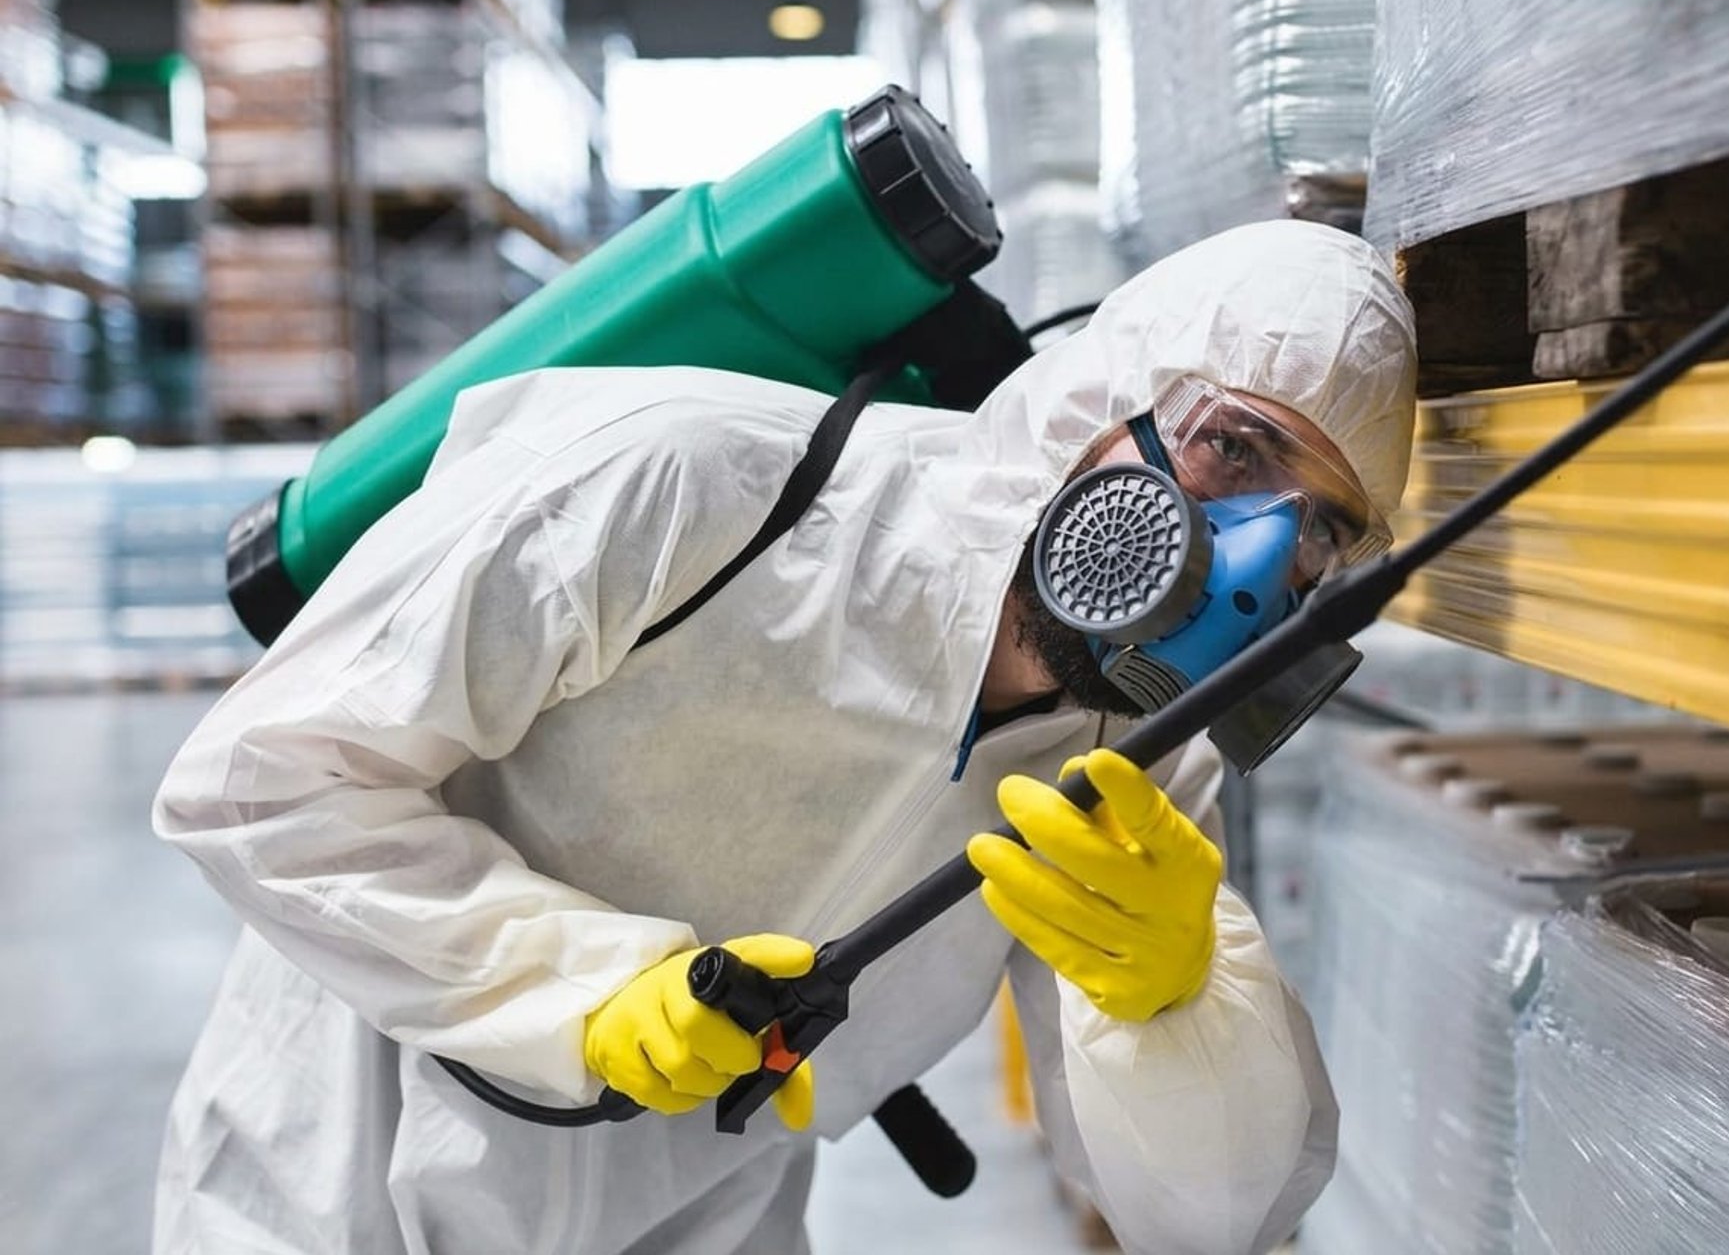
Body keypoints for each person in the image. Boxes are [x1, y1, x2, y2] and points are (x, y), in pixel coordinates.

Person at [152, 219, 1417, 1254]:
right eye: (1233, 448)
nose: (1252, 559)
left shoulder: (1140, 765)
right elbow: (262, 782)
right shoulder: (685, 481)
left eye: (1316, 529)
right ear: (1104, 401)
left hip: (705, 1220)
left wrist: (1176, 1008)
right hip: (330, 1191)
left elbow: (1198, 1219)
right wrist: (585, 992)